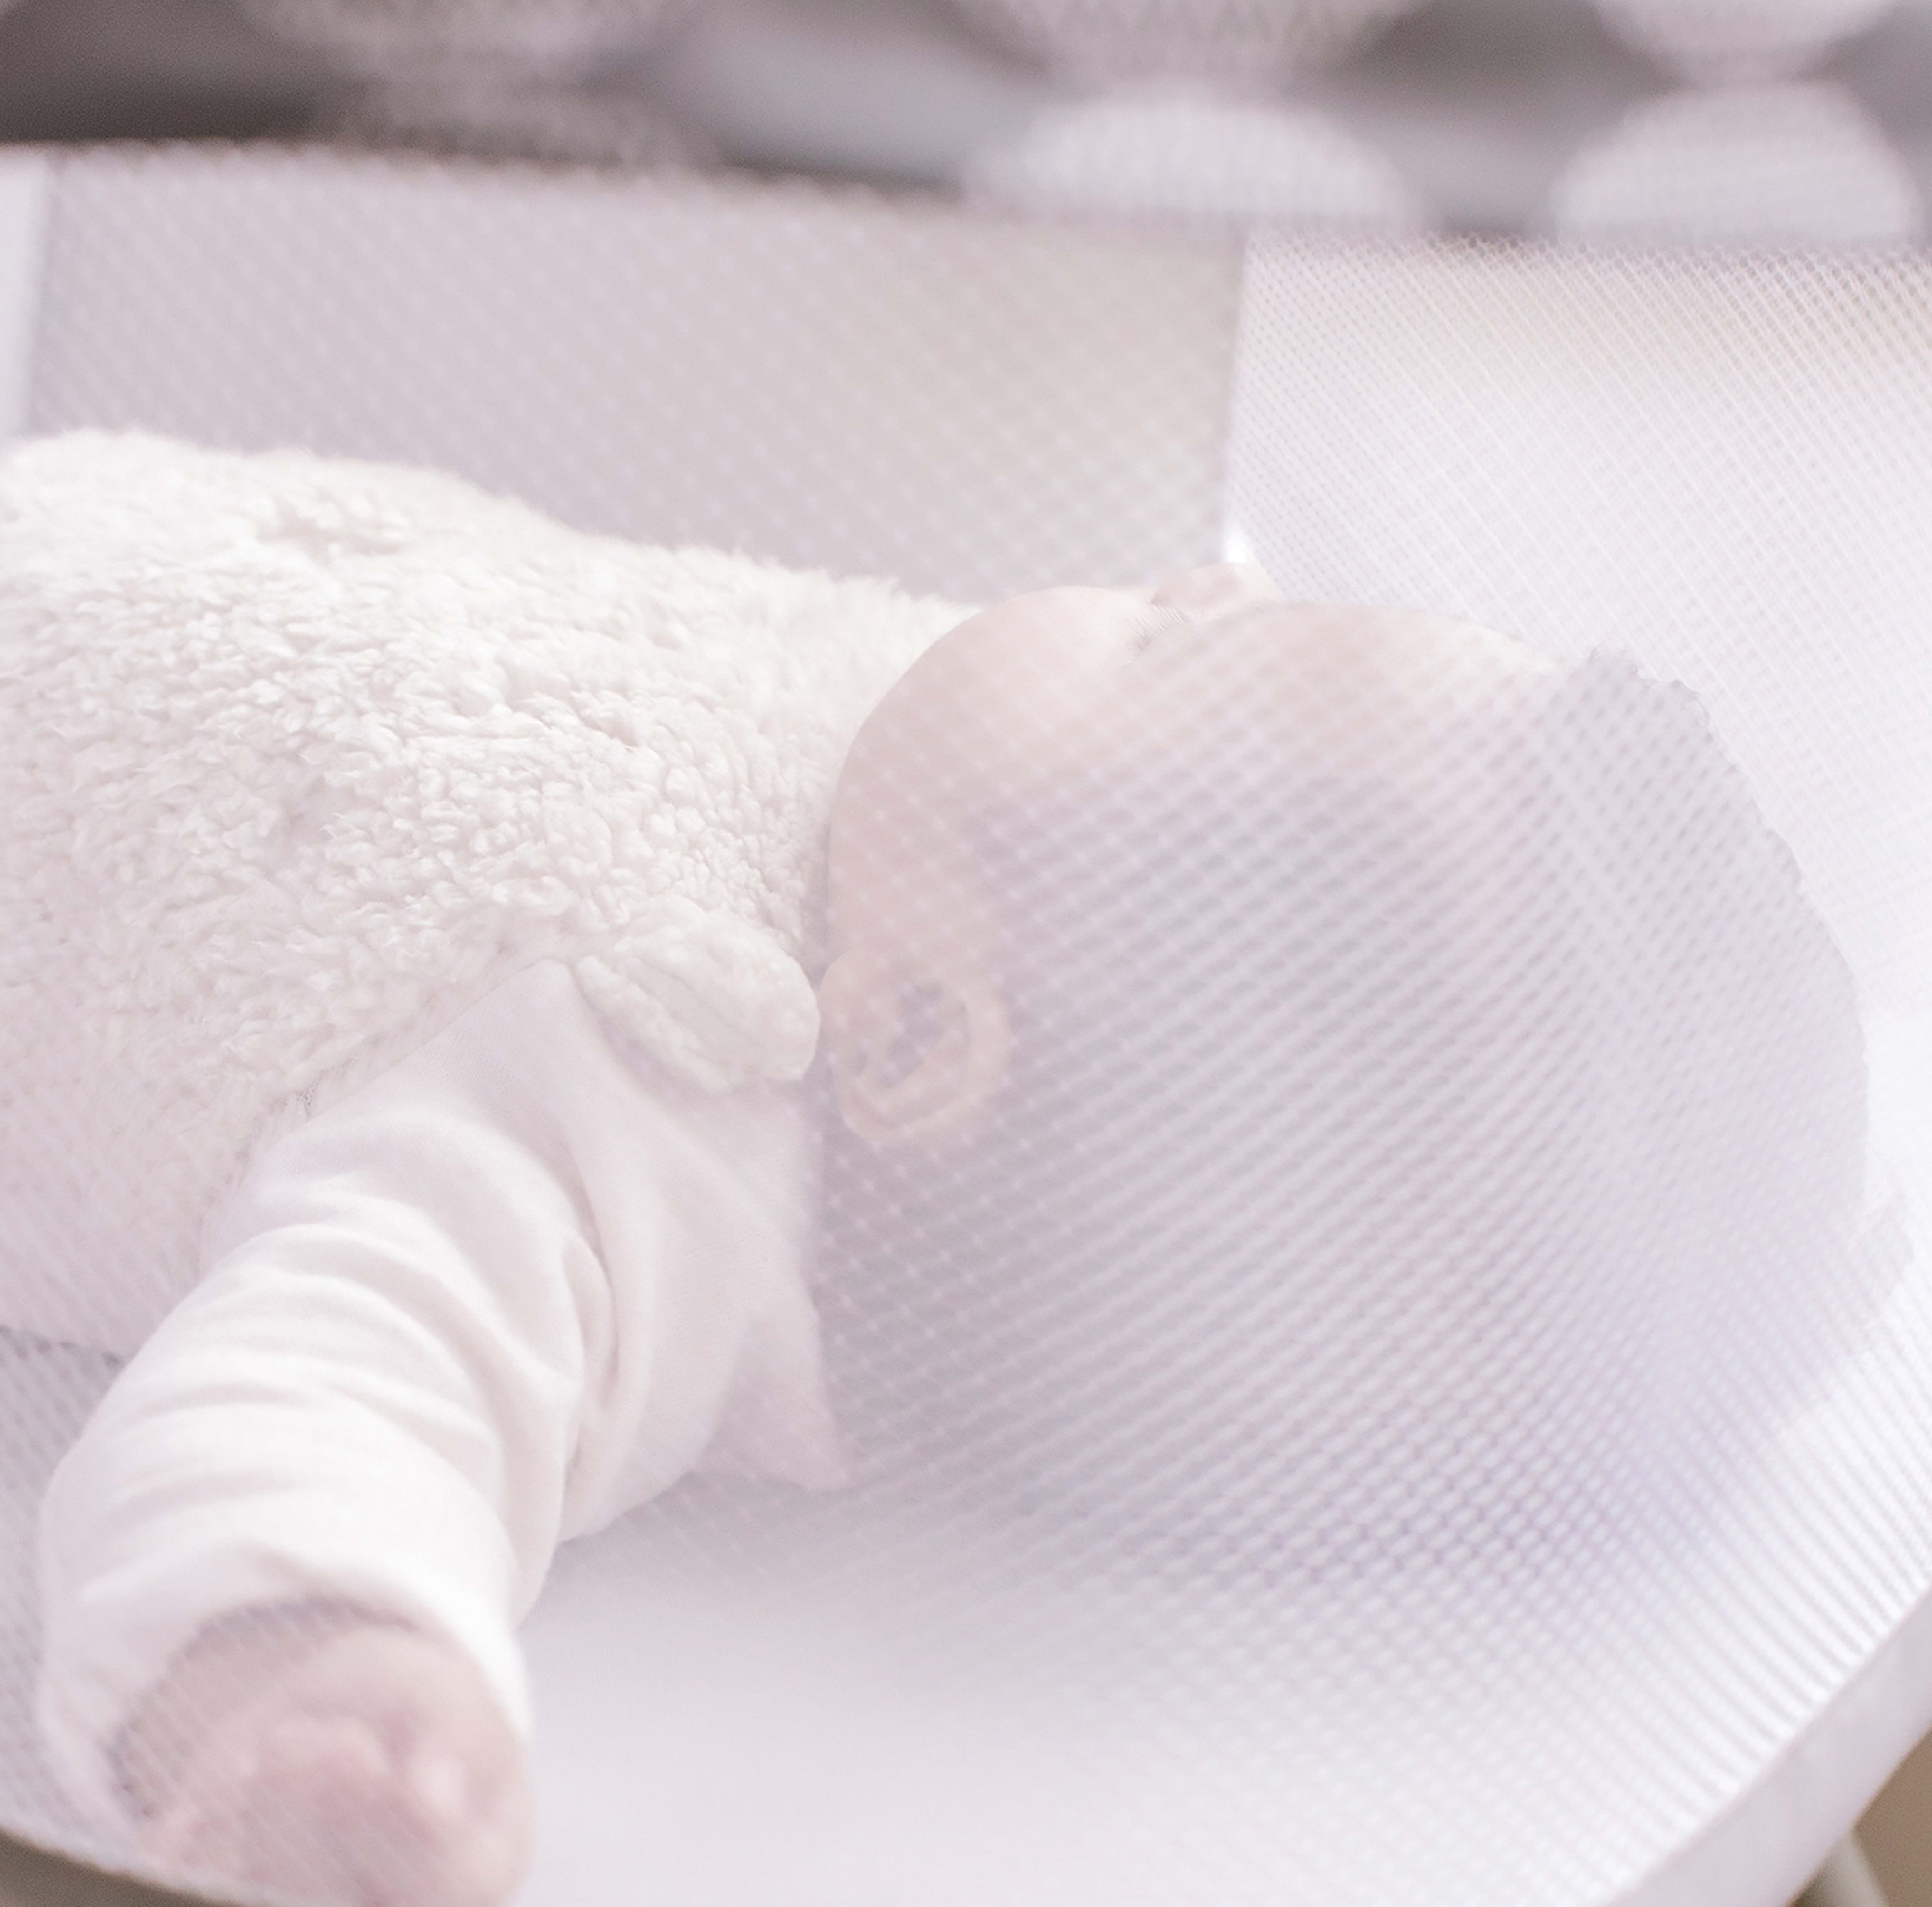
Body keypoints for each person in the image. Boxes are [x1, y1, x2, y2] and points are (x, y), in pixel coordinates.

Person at [4, 434, 1869, 1907]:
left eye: (1178, 648)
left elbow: (336, 1385)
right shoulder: (916, 787)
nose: (1206, 575)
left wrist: (318, 1674)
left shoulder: (650, 1085)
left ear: (911, 1038)